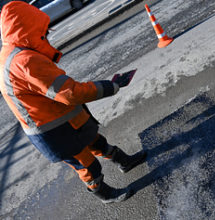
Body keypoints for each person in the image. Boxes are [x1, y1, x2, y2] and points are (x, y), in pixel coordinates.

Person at [0, 1, 146, 203]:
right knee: (87, 165)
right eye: (42, 31)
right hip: (54, 131)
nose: (47, 35)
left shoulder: (11, 53)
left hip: (61, 120)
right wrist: (109, 87)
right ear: (27, 28)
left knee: (96, 141)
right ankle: (104, 194)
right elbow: (70, 93)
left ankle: (125, 162)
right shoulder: (24, 61)